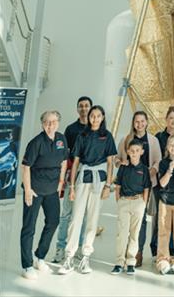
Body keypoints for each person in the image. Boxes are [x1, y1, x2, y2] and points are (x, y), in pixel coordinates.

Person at [58, 105, 117, 275]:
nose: (95, 118)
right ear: (89, 117)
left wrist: (108, 186)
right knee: (76, 218)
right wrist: (72, 187)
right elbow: (75, 162)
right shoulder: (82, 135)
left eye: (98, 116)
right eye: (93, 116)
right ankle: (69, 257)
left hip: (99, 181)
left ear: (103, 117)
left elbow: (110, 162)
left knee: (92, 220)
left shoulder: (107, 136)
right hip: (82, 179)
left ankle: (85, 257)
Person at [20, 111, 68, 281]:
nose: (50, 124)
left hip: (52, 190)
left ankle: (39, 257)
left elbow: (63, 161)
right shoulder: (36, 143)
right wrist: (27, 189)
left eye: (54, 121)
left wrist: (61, 182)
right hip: (34, 190)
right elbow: (25, 167)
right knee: (29, 227)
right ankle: (27, 265)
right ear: (42, 123)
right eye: (47, 122)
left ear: (58, 123)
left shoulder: (61, 139)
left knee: (53, 221)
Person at [116, 111, 161, 267]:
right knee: (126, 223)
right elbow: (117, 159)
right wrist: (120, 163)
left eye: (143, 121)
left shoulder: (153, 140)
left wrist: (152, 171)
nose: (140, 124)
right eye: (137, 121)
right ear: (133, 123)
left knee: (141, 221)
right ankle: (124, 252)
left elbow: (157, 161)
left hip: (146, 186)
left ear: (147, 122)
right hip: (128, 187)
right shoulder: (126, 139)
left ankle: (137, 252)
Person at [53, 95, 92, 263]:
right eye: (81, 106)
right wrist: (65, 179)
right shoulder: (70, 129)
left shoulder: (95, 129)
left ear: (90, 108)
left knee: (82, 215)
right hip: (72, 177)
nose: (84, 108)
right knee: (66, 214)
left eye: (86, 106)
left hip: (88, 178)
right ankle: (60, 248)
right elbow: (65, 156)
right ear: (77, 109)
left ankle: (79, 247)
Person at [111, 139, 152, 275]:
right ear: (128, 152)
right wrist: (119, 201)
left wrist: (143, 204)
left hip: (138, 202)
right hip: (124, 202)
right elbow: (118, 186)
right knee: (122, 234)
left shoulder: (144, 169)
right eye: (132, 151)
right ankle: (119, 262)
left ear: (142, 152)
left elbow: (146, 188)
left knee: (135, 234)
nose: (134, 153)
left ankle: (130, 262)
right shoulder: (123, 167)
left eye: (137, 151)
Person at [151, 106, 174, 260]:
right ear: (166, 119)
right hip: (163, 189)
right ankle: (160, 253)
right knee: (161, 222)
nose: (173, 121)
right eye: (171, 118)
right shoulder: (159, 137)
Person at [156, 134, 174, 275]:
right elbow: (162, 183)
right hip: (165, 200)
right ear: (167, 147)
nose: (173, 147)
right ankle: (162, 259)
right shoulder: (163, 163)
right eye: (171, 145)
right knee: (163, 231)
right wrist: (170, 169)